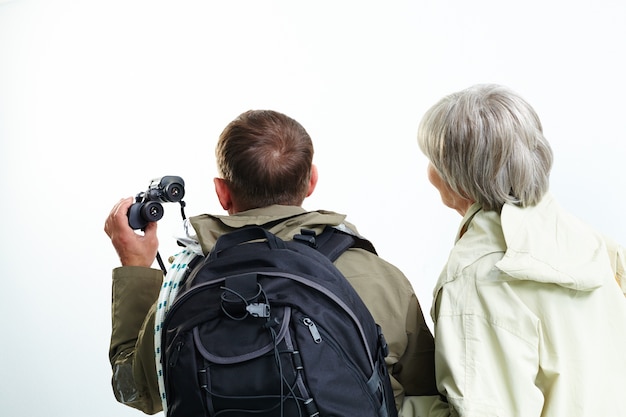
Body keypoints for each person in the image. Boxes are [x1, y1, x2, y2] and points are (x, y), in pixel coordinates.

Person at [105, 109, 438, 415]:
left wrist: (135, 265)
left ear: (223, 193)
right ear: (311, 181)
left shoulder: (183, 285)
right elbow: (428, 389)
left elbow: (133, 388)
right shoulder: (380, 279)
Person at [402, 84, 626, 417]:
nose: (429, 172)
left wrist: (396, 405)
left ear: (458, 177)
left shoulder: (478, 279)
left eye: (433, 160)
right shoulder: (591, 243)